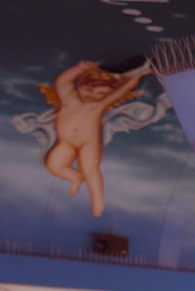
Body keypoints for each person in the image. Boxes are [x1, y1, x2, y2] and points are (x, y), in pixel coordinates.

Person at [38, 59, 151, 218]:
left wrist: (141, 73)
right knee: (54, 166)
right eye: (89, 90)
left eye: (100, 93)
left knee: (90, 169)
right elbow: (62, 82)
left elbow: (123, 90)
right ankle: (76, 178)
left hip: (88, 143)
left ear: (106, 94)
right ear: (80, 86)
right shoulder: (70, 100)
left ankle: (97, 199)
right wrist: (80, 68)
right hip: (66, 142)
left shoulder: (99, 105)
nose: (93, 95)